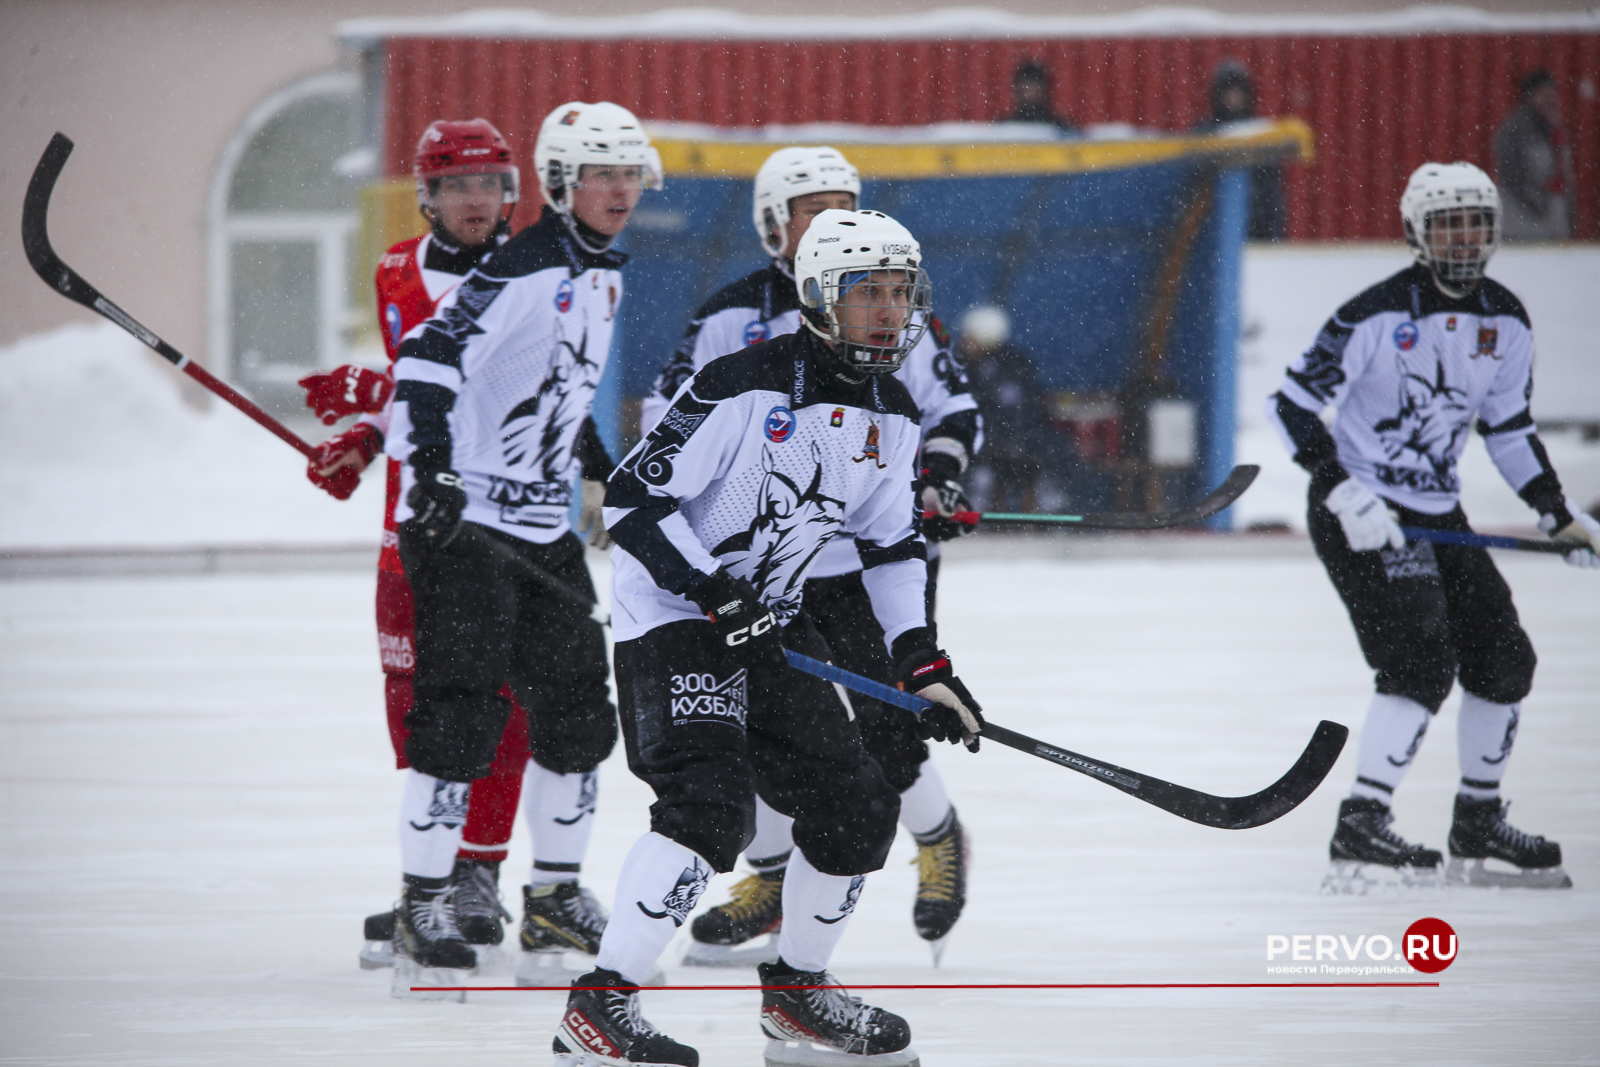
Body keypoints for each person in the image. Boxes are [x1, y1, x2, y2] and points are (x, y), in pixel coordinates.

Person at [552, 209, 983, 1067]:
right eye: (869, 294)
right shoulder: (739, 382)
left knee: (857, 805)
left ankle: (797, 998)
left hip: (768, 624)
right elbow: (634, 503)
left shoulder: (892, 413)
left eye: (901, 293)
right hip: (675, 618)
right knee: (709, 807)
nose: (890, 312)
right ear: (821, 299)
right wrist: (715, 592)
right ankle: (599, 1008)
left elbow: (892, 544)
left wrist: (923, 665)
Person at [640, 146, 984, 967]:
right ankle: (771, 873)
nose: (829, 219)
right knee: (760, 735)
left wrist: (932, 476)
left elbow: (951, 407)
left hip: (858, 569)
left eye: (843, 202)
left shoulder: (887, 302)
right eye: (810, 207)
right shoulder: (730, 316)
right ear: (771, 225)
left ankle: (937, 837)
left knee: (887, 728)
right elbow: (668, 413)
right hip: (764, 576)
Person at [382, 101, 661, 980]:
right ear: (561, 186)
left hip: (543, 533)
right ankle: (423, 900)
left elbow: (556, 394)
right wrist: (431, 468)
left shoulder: (604, 271)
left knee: (578, 720)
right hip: (466, 527)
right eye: (601, 176)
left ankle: (552, 898)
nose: (619, 191)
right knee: (462, 715)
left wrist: (613, 478)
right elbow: (426, 362)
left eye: (629, 175)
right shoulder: (526, 266)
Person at [1265, 161, 1595, 893]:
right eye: (1447, 223)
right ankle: (1363, 821)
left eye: (1475, 221)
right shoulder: (1375, 313)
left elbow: (1508, 430)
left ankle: (1477, 819)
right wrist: (1341, 488)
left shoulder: (1505, 319)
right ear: (1418, 232)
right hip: (1360, 513)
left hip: (1438, 515)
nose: (1463, 237)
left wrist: (1557, 511)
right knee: (1418, 662)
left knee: (1505, 659)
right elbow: (1289, 405)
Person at [298, 119, 543, 968]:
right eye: (457, 186)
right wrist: (363, 441)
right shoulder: (396, 269)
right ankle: (425, 883)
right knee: (416, 711)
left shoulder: (543, 271)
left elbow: (490, 387)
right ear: (428, 197)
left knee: (502, 709)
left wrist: (378, 386)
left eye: (490, 184)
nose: (477, 201)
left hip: (504, 528)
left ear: (512, 192)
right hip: (413, 530)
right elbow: (416, 391)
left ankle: (476, 874)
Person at [956, 305, 1050, 513]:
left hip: (1013, 441)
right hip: (981, 440)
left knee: (1026, 458)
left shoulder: (1014, 364)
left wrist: (1011, 440)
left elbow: (1026, 411)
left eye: (971, 339)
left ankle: (1045, 501)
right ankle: (975, 502)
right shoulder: (961, 366)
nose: (965, 343)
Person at [1193, 60, 1287, 241]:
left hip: (1255, 234)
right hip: (1210, 234)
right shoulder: (1204, 135)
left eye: (1238, 93)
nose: (1233, 98)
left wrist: (1273, 235)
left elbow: (1272, 195)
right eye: (1228, 93)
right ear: (1218, 96)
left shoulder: (1261, 137)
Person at [1494, 70, 1574, 242]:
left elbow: (1563, 172)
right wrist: (1536, 202)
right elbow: (1511, 175)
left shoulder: (1553, 125)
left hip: (1552, 218)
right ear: (1529, 95)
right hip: (1523, 221)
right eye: (1544, 93)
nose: (1550, 98)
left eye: (1552, 93)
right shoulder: (1516, 128)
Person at [999, 59, 1077, 133]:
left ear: (1044, 89)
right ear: (1017, 89)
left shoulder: (1060, 129)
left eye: (1034, 86)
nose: (1030, 91)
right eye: (1026, 86)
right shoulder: (1003, 128)